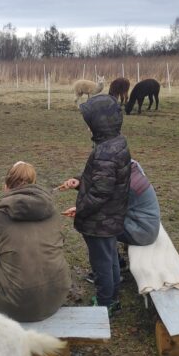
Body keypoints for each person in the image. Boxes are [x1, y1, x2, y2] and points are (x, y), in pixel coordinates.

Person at [0, 161, 71, 322]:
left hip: (17, 306)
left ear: (6, 186)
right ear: (34, 184)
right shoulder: (53, 213)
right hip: (58, 293)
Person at [60, 94, 131, 314]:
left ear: (99, 123)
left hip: (99, 221)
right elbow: (104, 181)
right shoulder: (116, 143)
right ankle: (113, 299)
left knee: (101, 264)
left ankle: (104, 304)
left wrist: (79, 209)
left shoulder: (105, 152)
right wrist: (79, 182)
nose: (87, 128)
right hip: (111, 217)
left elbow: (100, 192)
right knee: (109, 260)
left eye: (89, 123)